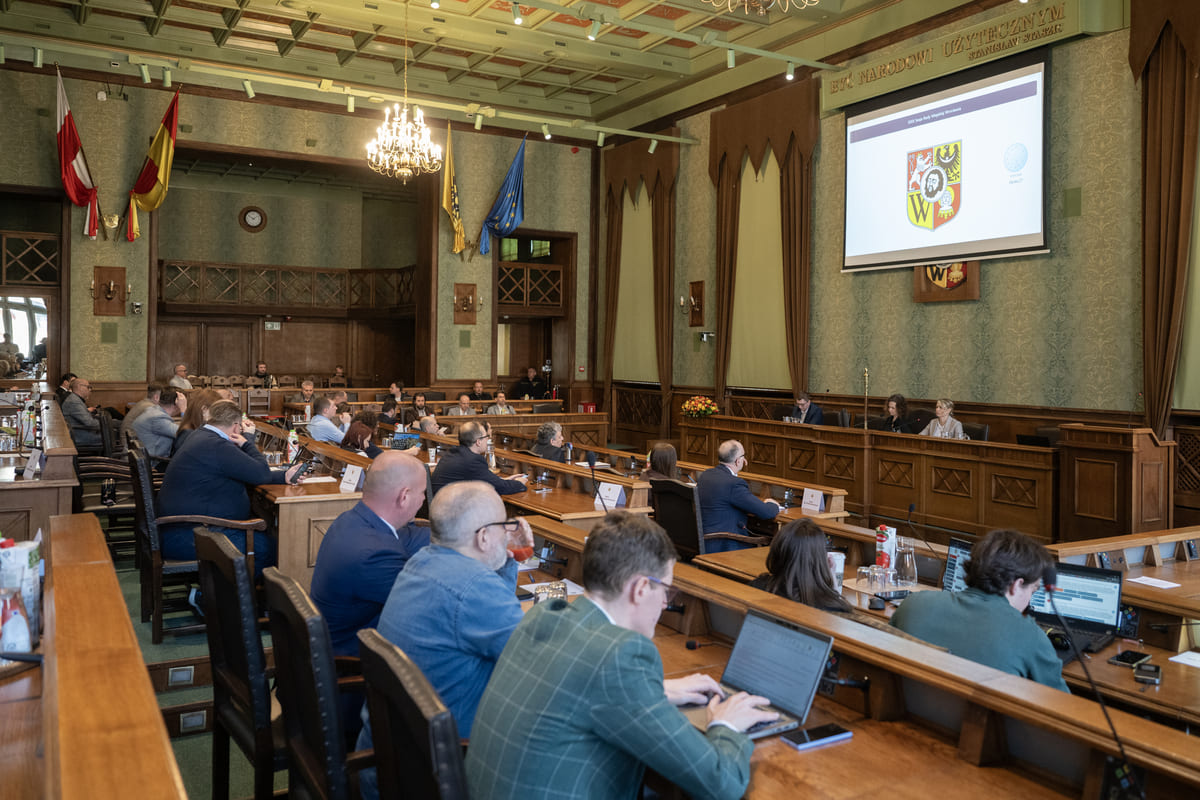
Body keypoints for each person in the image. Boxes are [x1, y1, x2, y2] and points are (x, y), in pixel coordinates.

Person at [466, 511, 775, 800]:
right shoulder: (619, 656)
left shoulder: (545, 615)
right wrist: (727, 726)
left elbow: (580, 687)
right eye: (665, 590)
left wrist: (654, 692)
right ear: (640, 588)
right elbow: (721, 782)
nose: (665, 603)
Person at [358, 483, 530, 763]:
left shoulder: (420, 561)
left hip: (388, 758)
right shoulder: (474, 588)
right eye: (504, 526)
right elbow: (537, 660)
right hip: (440, 768)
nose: (508, 533)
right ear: (483, 537)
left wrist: (506, 561)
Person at [891, 528, 1069, 691]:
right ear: (1016, 585)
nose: (1029, 600)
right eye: (1033, 590)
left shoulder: (913, 605)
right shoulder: (1029, 635)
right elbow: (1061, 706)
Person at [157, 400, 303, 573]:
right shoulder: (216, 445)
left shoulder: (201, 435)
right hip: (189, 535)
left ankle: (225, 587)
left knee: (267, 539)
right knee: (271, 548)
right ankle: (226, 590)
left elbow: (241, 469)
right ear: (235, 427)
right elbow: (261, 474)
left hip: (183, 529)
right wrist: (247, 443)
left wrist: (283, 476)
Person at [310, 451, 431, 658]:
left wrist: (458, 535)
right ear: (404, 497)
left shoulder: (350, 520)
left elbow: (409, 537)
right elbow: (426, 607)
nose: (423, 500)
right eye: (422, 493)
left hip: (336, 639)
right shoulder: (373, 555)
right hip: (353, 661)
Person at [695, 440, 780, 552]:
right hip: (725, 547)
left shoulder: (706, 475)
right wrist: (772, 504)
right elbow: (766, 512)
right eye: (743, 456)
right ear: (738, 461)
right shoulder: (734, 484)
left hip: (704, 542)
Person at [750, 519, 851, 613]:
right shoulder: (830, 607)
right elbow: (838, 610)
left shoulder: (757, 586)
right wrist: (832, 579)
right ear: (820, 560)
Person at [431, 420, 527, 496]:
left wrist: (504, 480)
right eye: (486, 436)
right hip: (451, 511)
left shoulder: (453, 453)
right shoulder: (472, 460)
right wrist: (520, 483)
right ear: (478, 442)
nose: (488, 439)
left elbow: (487, 479)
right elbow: (500, 488)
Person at [131, 387, 186, 461]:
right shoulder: (158, 418)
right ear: (177, 404)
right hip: (154, 463)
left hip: (145, 458)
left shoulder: (153, 410)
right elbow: (185, 434)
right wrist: (183, 409)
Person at [173, 388, 222, 454]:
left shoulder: (195, 428)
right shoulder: (188, 433)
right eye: (216, 411)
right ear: (204, 409)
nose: (219, 415)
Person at [61, 377, 102, 447]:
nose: (90, 390)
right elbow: (90, 423)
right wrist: (106, 423)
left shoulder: (75, 398)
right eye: (88, 387)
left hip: (82, 431)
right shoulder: (74, 401)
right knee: (114, 433)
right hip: (81, 436)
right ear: (80, 387)